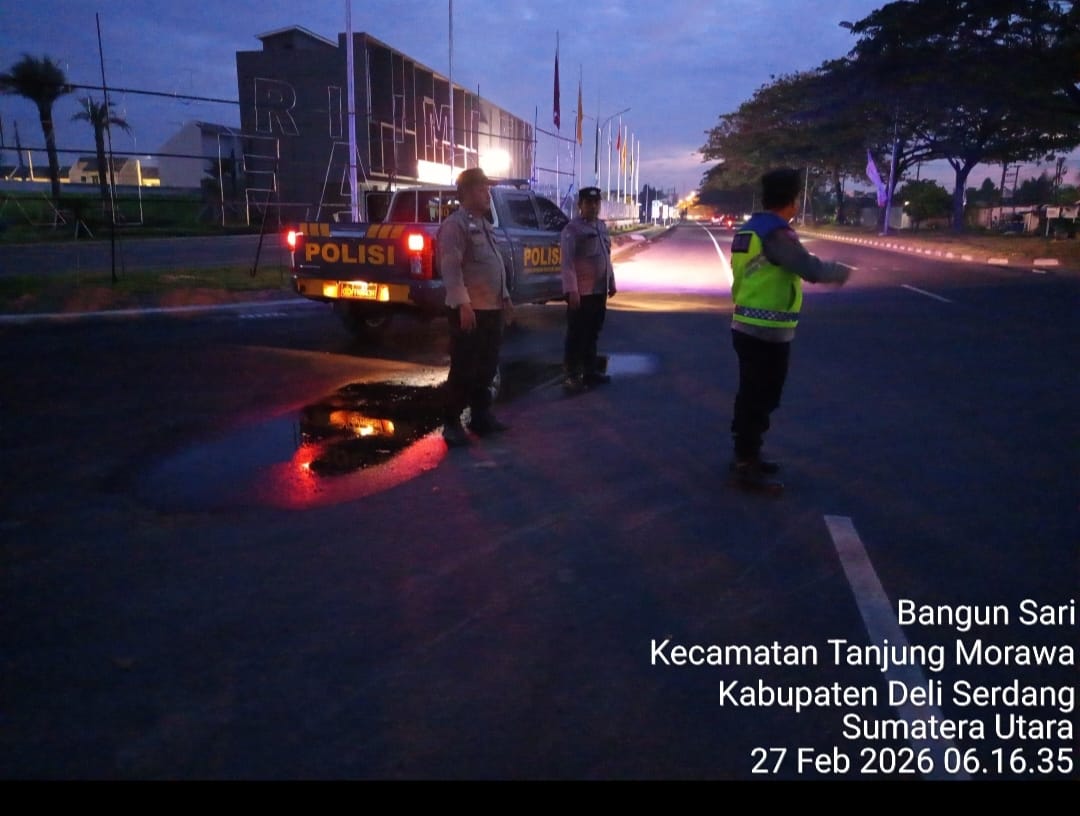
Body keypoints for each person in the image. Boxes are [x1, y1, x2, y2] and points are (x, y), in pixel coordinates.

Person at [729, 167, 851, 493]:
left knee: (752, 395)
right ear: (792, 201)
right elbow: (807, 267)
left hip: (746, 324)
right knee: (761, 397)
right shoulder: (776, 233)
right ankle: (746, 464)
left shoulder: (749, 229)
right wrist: (839, 271)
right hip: (765, 330)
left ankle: (747, 455)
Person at [437, 167, 514, 447]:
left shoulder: (485, 225)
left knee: (487, 366)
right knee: (464, 368)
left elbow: (495, 265)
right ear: (468, 192)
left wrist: (504, 296)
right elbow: (450, 267)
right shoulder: (455, 226)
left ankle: (481, 416)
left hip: (490, 308)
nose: (488, 194)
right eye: (483, 189)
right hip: (469, 311)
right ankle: (451, 422)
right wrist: (462, 304)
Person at [560, 186, 617, 394]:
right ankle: (571, 375)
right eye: (589, 203)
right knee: (576, 334)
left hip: (599, 290)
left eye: (596, 203)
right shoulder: (572, 230)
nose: (593, 207)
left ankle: (590, 370)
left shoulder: (601, 227)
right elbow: (566, 263)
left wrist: (611, 281)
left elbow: (606, 256)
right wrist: (571, 290)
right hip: (581, 292)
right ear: (580, 205)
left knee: (593, 332)